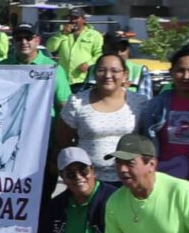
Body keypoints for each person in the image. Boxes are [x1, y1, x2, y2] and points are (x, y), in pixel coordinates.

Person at [138, 47, 189, 185]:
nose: (186, 76)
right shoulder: (156, 105)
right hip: (166, 178)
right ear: (171, 72)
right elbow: (147, 143)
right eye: (180, 70)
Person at [60, 52, 139, 185]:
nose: (107, 75)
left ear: (125, 75)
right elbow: (63, 139)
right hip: (87, 180)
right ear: (94, 73)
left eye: (115, 71)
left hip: (128, 180)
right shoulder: (77, 101)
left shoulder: (139, 102)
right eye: (101, 70)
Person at [54, 9, 104, 86]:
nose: (72, 21)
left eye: (75, 18)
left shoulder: (94, 35)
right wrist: (62, 34)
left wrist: (88, 64)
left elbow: (99, 54)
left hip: (83, 80)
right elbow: (51, 48)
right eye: (70, 18)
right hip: (63, 80)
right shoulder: (63, 33)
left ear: (84, 19)